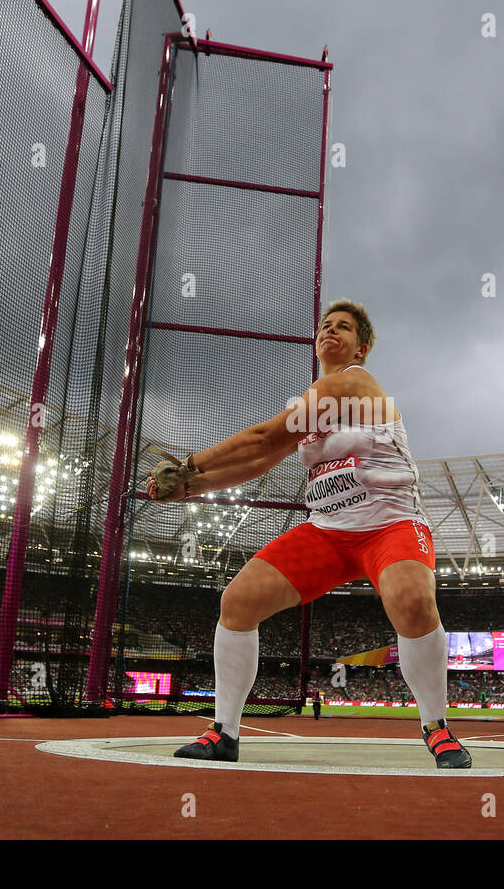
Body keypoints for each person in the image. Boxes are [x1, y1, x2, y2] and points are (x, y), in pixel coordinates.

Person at [146, 299, 470, 768]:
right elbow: (261, 460)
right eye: (325, 325)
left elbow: (262, 438)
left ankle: (437, 728)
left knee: (413, 602)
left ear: (362, 347)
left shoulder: (355, 383)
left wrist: (191, 464)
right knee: (238, 603)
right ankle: (224, 734)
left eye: (343, 328)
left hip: (389, 523)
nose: (330, 331)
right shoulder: (310, 404)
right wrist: (193, 488)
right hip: (329, 531)